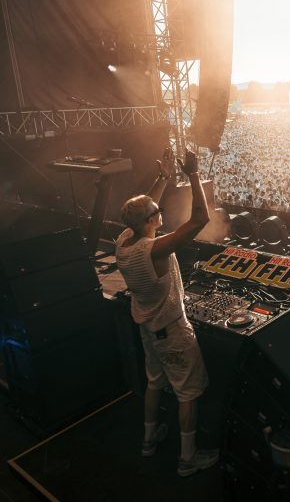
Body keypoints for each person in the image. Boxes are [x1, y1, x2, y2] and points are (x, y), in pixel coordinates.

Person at [115, 148, 219, 477]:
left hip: (147, 330)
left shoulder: (123, 240)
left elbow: (143, 210)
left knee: (154, 383)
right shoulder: (155, 250)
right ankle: (187, 458)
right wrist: (193, 174)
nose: (160, 213)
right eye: (157, 212)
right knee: (187, 392)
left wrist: (162, 177)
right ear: (152, 221)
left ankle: (149, 440)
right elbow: (200, 219)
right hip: (172, 331)